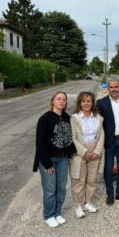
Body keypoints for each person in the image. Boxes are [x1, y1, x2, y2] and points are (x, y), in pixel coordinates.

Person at [33, 91, 76, 228]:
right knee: (50, 189)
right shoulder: (45, 119)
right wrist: (46, 162)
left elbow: (70, 139)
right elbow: (40, 143)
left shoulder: (67, 118)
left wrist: (69, 154)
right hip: (49, 159)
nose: (61, 101)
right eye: (59, 99)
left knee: (61, 188)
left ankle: (58, 212)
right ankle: (49, 215)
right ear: (53, 101)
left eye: (64, 99)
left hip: (63, 158)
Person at [97, 79, 119, 205]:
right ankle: (110, 193)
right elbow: (98, 123)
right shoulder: (101, 103)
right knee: (108, 168)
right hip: (109, 141)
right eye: (111, 87)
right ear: (108, 89)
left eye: (116, 86)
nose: (113, 89)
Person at [70, 92, 104, 218]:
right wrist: (84, 152)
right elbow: (73, 138)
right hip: (80, 152)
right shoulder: (74, 118)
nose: (86, 103)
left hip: (95, 151)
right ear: (80, 103)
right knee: (78, 179)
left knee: (91, 180)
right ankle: (78, 205)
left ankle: (87, 202)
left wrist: (97, 151)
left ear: (92, 103)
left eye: (88, 101)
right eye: (83, 101)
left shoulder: (98, 118)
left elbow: (101, 136)